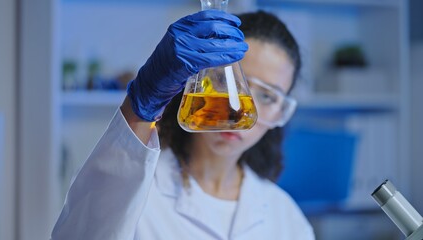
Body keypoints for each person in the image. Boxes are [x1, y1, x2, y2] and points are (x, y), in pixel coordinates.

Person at [51, 9, 315, 240]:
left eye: (268, 96)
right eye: (234, 81)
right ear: (198, 78)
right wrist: (139, 105)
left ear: (282, 113)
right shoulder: (129, 183)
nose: (238, 110)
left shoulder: (287, 218)